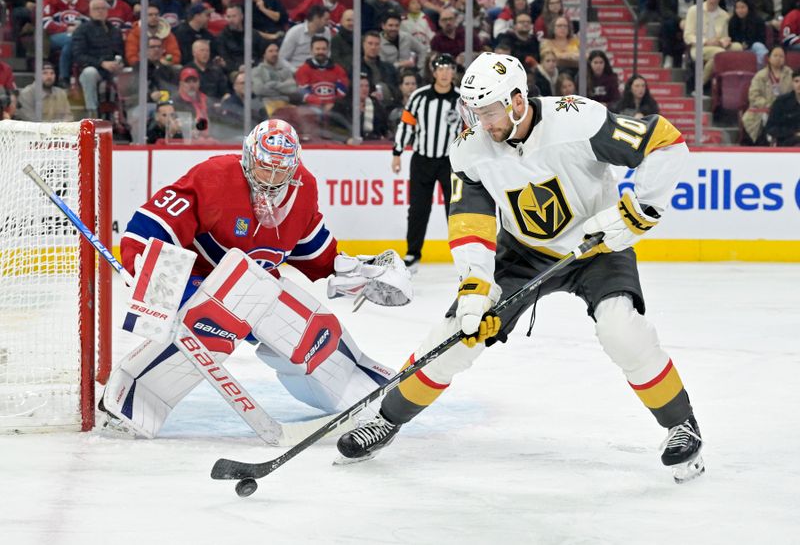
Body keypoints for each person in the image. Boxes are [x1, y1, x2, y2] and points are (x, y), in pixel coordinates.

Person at [337, 52, 706, 485]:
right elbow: (469, 221)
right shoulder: (469, 146)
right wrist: (475, 285)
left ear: (516, 101)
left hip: (598, 245)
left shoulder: (579, 121)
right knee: (459, 332)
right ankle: (387, 418)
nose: (481, 122)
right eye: (474, 111)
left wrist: (636, 210)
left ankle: (681, 424)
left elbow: (666, 142)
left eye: (489, 111)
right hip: (523, 253)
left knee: (620, 330)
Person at [100, 119, 409, 439]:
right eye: (265, 169)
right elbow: (157, 222)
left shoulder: (303, 187)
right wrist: (140, 262)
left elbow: (310, 247)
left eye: (281, 171)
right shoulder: (215, 176)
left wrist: (349, 270)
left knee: (300, 321)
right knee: (226, 306)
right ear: (249, 157)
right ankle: (134, 396)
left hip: (255, 287)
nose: (272, 180)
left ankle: (357, 385)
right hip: (194, 281)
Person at [391, 53, 461, 271]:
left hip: (451, 163)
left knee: (455, 210)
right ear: (434, 72)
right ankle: (413, 254)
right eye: (441, 68)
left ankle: (461, 255)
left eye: (449, 68)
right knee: (418, 209)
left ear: (453, 72)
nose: (445, 73)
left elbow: (471, 131)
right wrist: (397, 152)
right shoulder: (419, 97)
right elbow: (406, 125)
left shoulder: (461, 99)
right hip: (422, 160)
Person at [71, 0, 125, 118]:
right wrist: (102, 63)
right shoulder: (82, 30)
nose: (100, 11)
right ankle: (92, 112)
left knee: (129, 73)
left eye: (103, 8)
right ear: (90, 11)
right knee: (89, 73)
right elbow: (78, 56)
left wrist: (120, 63)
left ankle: (125, 112)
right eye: (96, 9)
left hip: (114, 69)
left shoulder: (115, 30)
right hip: (94, 67)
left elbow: (121, 52)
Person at [684, 0, 743, 86]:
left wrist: (725, 40)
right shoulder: (694, 10)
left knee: (738, 47)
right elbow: (687, 36)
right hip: (699, 47)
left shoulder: (724, 15)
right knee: (719, 53)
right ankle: (700, 84)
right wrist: (706, 42)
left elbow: (724, 36)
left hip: (717, 46)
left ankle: (731, 80)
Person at [742, 46, 793, 144]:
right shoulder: (760, 75)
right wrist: (770, 105)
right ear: (769, 58)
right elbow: (754, 96)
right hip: (764, 110)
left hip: (786, 110)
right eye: (775, 55)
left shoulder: (790, 74)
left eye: (781, 56)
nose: (778, 58)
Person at [43, 0, 90, 82]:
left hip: (78, 36)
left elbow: (88, 22)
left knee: (73, 41)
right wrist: (66, 29)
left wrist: (80, 29)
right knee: (71, 40)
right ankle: (64, 77)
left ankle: (70, 78)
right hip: (54, 37)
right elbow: (46, 23)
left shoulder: (82, 0)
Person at [295, 36, 349, 109]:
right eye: (317, 49)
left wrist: (333, 104)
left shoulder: (338, 69)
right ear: (311, 50)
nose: (321, 52)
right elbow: (304, 93)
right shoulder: (303, 70)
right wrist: (321, 104)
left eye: (324, 49)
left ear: (328, 50)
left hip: (335, 108)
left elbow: (343, 90)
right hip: (310, 108)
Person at [214, 4, 267, 77]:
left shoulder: (253, 33)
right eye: (228, 17)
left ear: (241, 16)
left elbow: (263, 54)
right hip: (235, 70)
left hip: (255, 67)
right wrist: (238, 67)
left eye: (234, 16)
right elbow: (225, 60)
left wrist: (255, 65)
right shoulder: (222, 37)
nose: (231, 20)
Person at [279, 5, 332, 72]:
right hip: (297, 70)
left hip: (319, 71)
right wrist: (296, 71)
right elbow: (281, 58)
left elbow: (328, 54)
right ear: (316, 18)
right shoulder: (295, 32)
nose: (328, 23)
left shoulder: (327, 31)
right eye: (326, 20)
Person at [252, 42, 298, 117]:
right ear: (264, 54)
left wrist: (271, 85)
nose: (275, 54)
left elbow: (293, 89)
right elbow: (259, 90)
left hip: (285, 104)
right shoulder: (256, 71)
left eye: (276, 51)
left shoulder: (285, 70)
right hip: (266, 105)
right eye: (271, 51)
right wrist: (283, 88)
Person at [659, 0, 695, 69]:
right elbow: (665, 11)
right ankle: (669, 56)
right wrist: (679, 21)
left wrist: (690, 21)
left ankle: (687, 57)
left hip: (694, 20)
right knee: (668, 25)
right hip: (677, 20)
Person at [185, 39, 229, 106]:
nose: (205, 53)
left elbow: (225, 92)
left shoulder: (216, 70)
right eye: (202, 50)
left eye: (207, 51)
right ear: (194, 53)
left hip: (216, 107)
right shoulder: (186, 71)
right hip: (194, 106)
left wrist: (223, 102)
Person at [764, 67, 800, 146]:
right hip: (787, 143)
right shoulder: (781, 102)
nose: (799, 85)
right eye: (796, 81)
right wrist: (794, 132)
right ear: (792, 83)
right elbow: (771, 128)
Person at [729, 0, 768, 68]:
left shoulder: (758, 20)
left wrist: (748, 44)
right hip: (738, 47)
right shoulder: (732, 21)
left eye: (742, 7)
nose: (740, 10)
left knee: (759, 46)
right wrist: (741, 44)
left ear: (749, 8)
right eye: (737, 8)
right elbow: (732, 38)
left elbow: (761, 39)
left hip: (753, 47)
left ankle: (761, 71)